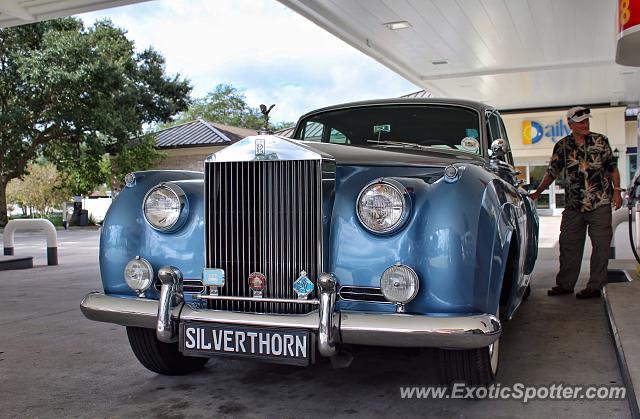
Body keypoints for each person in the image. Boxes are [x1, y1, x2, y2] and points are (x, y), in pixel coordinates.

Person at [529, 106, 622, 299]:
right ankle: (565, 285)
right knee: (568, 245)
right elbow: (552, 172)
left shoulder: (600, 141)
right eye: (580, 122)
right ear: (570, 124)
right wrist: (538, 192)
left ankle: (595, 287)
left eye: (587, 121)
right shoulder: (563, 146)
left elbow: (612, 168)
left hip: (600, 203)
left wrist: (617, 192)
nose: (585, 124)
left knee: (601, 246)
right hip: (573, 206)